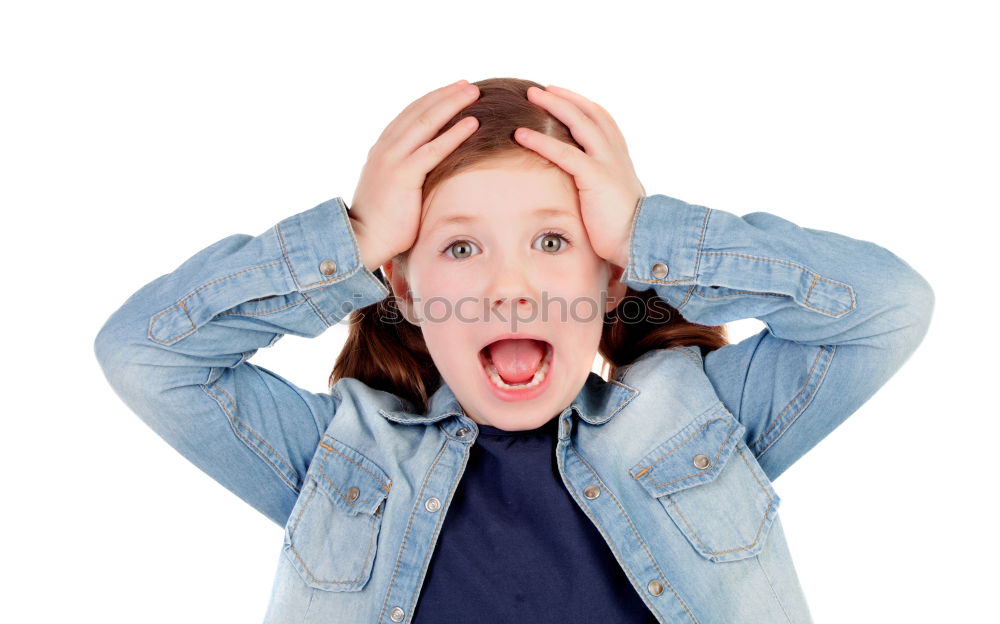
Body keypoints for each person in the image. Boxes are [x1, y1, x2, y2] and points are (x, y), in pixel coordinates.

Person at [94, 77, 934, 623]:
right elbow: (147, 355)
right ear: (409, 293)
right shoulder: (342, 461)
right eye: (461, 249)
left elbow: (885, 308)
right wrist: (347, 243)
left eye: (552, 243)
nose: (510, 289)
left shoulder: (700, 423)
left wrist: (651, 233)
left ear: (610, 280)